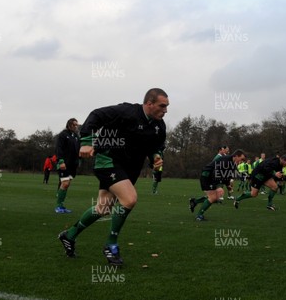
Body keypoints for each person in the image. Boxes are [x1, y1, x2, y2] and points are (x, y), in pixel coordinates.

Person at [58, 88, 169, 266]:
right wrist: (86, 142)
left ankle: (69, 235)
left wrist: (156, 157)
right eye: (162, 106)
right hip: (107, 160)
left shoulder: (159, 126)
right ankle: (111, 244)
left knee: (103, 208)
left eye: (167, 106)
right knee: (129, 199)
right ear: (149, 103)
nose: (165, 110)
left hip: (130, 169)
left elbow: (156, 147)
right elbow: (96, 115)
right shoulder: (127, 111)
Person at [189, 150, 247, 221]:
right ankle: (199, 216)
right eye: (242, 159)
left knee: (216, 197)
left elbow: (227, 175)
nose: (242, 161)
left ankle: (195, 202)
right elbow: (216, 172)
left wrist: (228, 185)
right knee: (214, 197)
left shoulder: (232, 164)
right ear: (236, 156)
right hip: (207, 176)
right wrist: (221, 183)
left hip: (211, 177)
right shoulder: (226, 161)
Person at [54, 118, 80, 213]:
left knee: (66, 184)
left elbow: (78, 150)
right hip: (64, 163)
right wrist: (61, 161)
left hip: (72, 165)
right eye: (74, 125)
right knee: (65, 183)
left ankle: (61, 204)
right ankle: (59, 206)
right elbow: (58, 148)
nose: (76, 126)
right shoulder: (63, 135)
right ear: (69, 125)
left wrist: (79, 160)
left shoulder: (76, 136)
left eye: (77, 125)